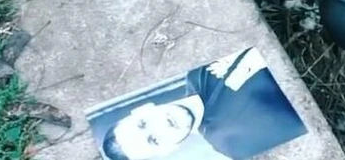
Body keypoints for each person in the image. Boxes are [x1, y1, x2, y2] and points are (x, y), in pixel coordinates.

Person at [98, 48, 307, 160]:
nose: (161, 127)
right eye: (153, 140)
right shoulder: (234, 144)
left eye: (143, 124)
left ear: (142, 109)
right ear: (167, 151)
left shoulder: (196, 70)